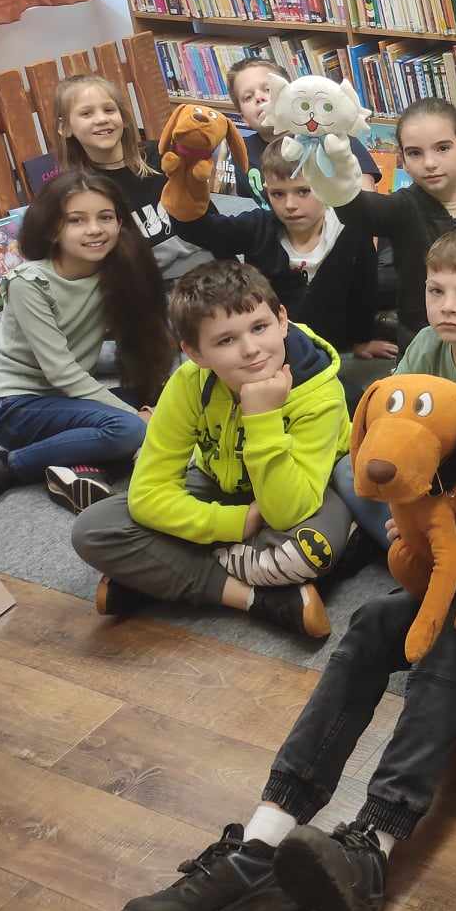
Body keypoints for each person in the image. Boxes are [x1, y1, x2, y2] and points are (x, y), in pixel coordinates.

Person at [116, 300, 456, 911]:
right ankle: (261, 843)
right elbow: (439, 536)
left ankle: (374, 845)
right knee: (375, 618)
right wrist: (414, 537)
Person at [70, 261, 357, 639]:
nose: (251, 350)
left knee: (310, 551)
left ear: (282, 320)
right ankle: (253, 598)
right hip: (221, 487)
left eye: (260, 327)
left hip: (302, 492)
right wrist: (236, 523)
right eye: (226, 340)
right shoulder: (189, 382)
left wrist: (262, 419)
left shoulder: (320, 393)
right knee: (93, 529)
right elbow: (149, 492)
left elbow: (289, 511)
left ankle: (158, 574)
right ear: (195, 353)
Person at [0, 171, 174, 516]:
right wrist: (138, 417)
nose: (95, 229)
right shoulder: (30, 282)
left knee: (172, 398)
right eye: (77, 220)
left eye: (105, 217)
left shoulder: (116, 269)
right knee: (130, 429)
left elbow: (145, 337)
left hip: (64, 397)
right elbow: (62, 372)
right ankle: (3, 466)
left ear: (120, 222)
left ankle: (75, 465)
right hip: (13, 405)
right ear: (52, 229)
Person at [336, 228, 456, 547]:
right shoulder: (426, 343)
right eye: (436, 291)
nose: (448, 306)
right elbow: (390, 422)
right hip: (433, 470)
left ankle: (427, 547)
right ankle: (419, 546)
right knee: (350, 470)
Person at [171, 139, 389, 399]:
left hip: (329, 353)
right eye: (278, 194)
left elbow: (364, 291)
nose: (290, 204)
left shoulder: (351, 231)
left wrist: (361, 340)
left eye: (303, 191)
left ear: (326, 185)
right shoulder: (259, 226)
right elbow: (202, 230)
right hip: (266, 352)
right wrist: (185, 185)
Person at [331, 96, 456, 359]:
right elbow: (353, 208)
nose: (429, 163)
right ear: (402, 160)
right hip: (420, 348)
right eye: (415, 153)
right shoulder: (403, 208)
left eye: (442, 148)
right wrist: (329, 159)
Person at [54, 73, 212, 282]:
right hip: (152, 285)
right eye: (86, 113)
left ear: (124, 117)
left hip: (210, 266)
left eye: (109, 110)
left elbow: (208, 218)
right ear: (64, 127)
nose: (101, 119)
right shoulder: (80, 191)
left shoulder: (163, 156)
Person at [225, 56, 381, 208]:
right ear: (243, 117)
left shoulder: (335, 137)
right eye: (248, 97)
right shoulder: (241, 152)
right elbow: (248, 204)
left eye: (268, 89)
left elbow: (367, 201)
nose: (259, 97)